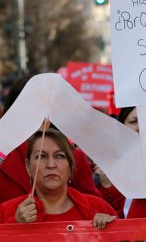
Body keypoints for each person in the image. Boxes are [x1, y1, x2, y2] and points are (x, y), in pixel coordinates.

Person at [0, 75, 101, 204]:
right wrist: (15, 219)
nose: (36, 113)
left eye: (43, 105)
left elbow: (93, 210)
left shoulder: (74, 157)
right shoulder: (3, 155)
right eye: (28, 105)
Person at [0, 129, 117, 229]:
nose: (51, 164)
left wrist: (109, 231)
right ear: (28, 166)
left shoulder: (98, 208)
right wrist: (15, 226)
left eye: (59, 156)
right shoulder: (7, 212)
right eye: (42, 156)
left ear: (71, 166)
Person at [92, 106, 138, 218]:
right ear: (121, 125)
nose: (139, 127)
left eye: (145, 121)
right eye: (134, 121)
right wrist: (107, 186)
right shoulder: (104, 162)